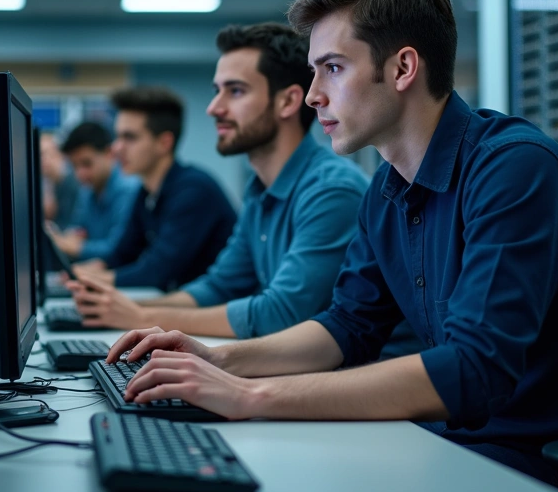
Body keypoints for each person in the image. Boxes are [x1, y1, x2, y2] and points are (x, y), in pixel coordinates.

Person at [103, 0, 558, 492]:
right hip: (454, 443)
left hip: (544, 465)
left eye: (333, 68)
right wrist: (216, 358)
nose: (314, 94)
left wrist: (251, 395)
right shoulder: (387, 187)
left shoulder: (515, 169)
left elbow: (474, 369)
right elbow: (347, 327)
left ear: (403, 68)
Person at [69, 23, 382, 343]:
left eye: (235, 91)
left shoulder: (331, 190)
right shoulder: (260, 190)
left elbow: (281, 313)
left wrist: (144, 317)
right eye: (217, 91)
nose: (213, 108)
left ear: (287, 102)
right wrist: (123, 307)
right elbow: (219, 286)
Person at [74, 86, 237, 292]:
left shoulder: (194, 190)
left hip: (212, 312)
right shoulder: (146, 192)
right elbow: (122, 254)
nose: (116, 148)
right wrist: (81, 273)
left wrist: (99, 279)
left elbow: (158, 271)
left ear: (164, 143)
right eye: (118, 137)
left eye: (129, 138)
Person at [46, 121, 139, 261]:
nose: (80, 174)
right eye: (74, 166)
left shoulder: (129, 189)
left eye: (87, 163)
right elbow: (78, 227)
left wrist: (66, 244)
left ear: (109, 153)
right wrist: (72, 236)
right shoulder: (88, 191)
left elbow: (117, 248)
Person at [38, 131, 81, 230]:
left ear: (58, 153)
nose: (41, 159)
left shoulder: (72, 182)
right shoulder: (50, 183)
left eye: (43, 154)